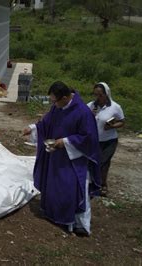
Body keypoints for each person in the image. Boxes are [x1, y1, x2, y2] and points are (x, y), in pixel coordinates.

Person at [23, 81, 101, 236]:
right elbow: (46, 123)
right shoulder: (57, 107)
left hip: (74, 160)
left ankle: (78, 224)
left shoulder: (83, 112)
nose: (53, 104)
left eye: (55, 101)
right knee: (54, 186)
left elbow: (88, 138)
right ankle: (53, 214)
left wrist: (64, 142)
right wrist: (32, 128)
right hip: (57, 157)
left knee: (73, 190)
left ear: (65, 97)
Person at [88, 82, 125, 197]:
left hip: (109, 141)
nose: (98, 98)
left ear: (106, 94)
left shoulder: (115, 107)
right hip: (94, 140)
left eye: (100, 95)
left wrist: (113, 126)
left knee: (103, 163)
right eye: (95, 95)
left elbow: (122, 121)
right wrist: (90, 115)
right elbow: (81, 119)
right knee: (94, 163)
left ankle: (102, 185)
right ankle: (95, 184)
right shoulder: (90, 106)